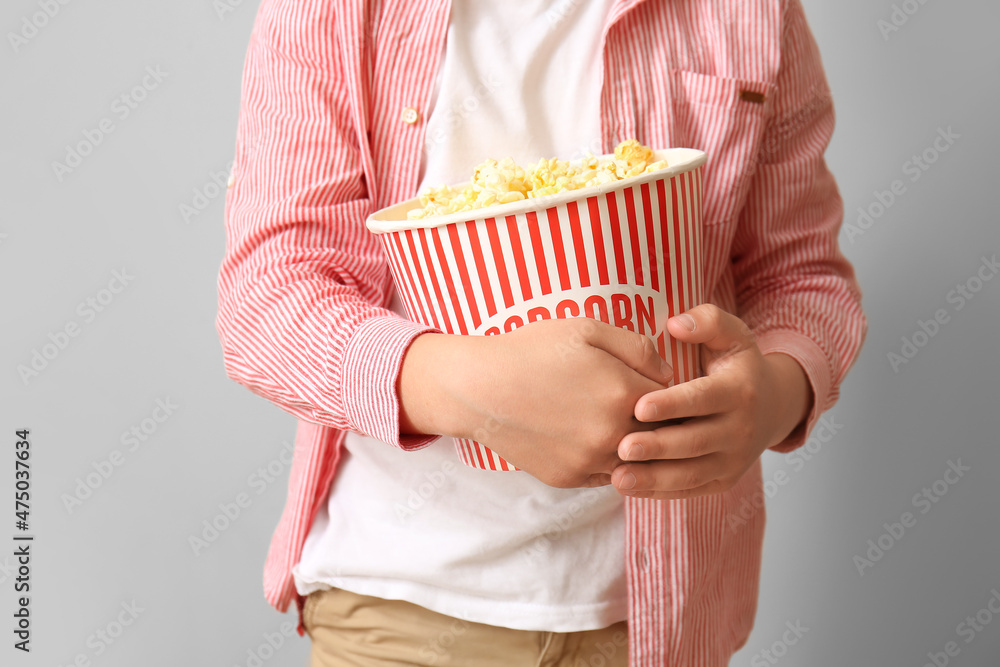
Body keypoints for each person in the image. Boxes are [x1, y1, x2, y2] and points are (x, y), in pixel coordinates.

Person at [216, 0, 867, 665]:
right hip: (401, 610)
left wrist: (775, 398)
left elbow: (801, 277)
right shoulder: (336, 12)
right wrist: (476, 389)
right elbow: (270, 294)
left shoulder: (749, 12)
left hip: (655, 621)